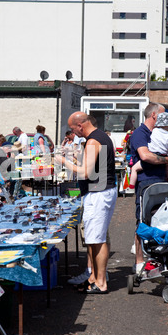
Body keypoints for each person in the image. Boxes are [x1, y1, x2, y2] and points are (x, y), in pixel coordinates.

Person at [56, 111, 117, 294]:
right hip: (99, 191)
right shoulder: (99, 137)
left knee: (97, 239)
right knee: (93, 238)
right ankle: (94, 277)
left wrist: (64, 161)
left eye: (74, 130)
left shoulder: (93, 140)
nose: (74, 134)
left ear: (80, 126)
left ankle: (100, 282)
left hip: (99, 192)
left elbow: (85, 173)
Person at [129, 103, 168, 273]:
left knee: (161, 219)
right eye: (162, 114)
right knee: (143, 220)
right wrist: (165, 160)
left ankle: (158, 258)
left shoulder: (160, 132)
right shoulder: (141, 133)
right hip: (146, 181)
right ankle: (139, 261)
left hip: (160, 180)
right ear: (154, 115)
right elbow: (145, 156)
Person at [129, 112, 168, 189]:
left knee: (134, 168)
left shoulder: (153, 131)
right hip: (163, 155)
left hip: (151, 154)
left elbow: (145, 156)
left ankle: (131, 186)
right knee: (167, 167)